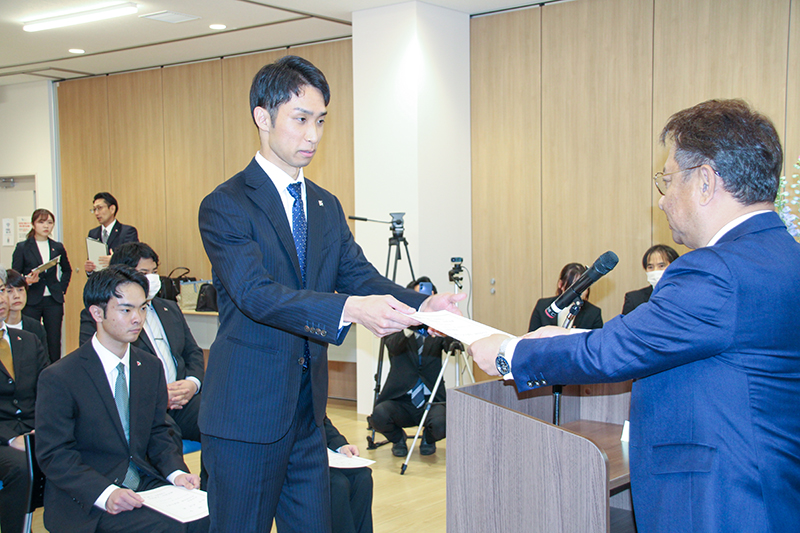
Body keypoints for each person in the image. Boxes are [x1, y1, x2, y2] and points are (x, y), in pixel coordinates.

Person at [469, 99, 800, 532]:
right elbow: (674, 341)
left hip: (719, 502)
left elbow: (618, 350)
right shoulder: (784, 257)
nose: (662, 201)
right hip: (768, 491)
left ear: (705, 181)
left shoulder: (716, 270)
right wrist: (564, 338)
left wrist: (510, 353)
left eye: (668, 180)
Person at [197, 55, 463, 533]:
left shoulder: (324, 204)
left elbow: (358, 274)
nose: (313, 135)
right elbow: (256, 295)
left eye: (320, 121)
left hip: (307, 419)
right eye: (300, 119)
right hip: (246, 417)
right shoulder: (226, 204)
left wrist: (423, 304)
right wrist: (350, 309)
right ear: (263, 117)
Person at [35, 265, 208, 533]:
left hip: (144, 484)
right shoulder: (60, 377)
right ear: (97, 313)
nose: (138, 318)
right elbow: (55, 454)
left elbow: (159, 430)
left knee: (213, 515)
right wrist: (106, 493)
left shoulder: (149, 366)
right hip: (89, 497)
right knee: (168, 529)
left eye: (142, 308)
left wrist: (176, 473)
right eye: (126, 310)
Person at [78, 243, 205, 465]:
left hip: (183, 399)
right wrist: (159, 396)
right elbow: (100, 370)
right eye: (144, 272)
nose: (152, 278)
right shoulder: (102, 316)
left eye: (155, 271)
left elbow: (192, 351)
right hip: (142, 405)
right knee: (166, 439)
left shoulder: (169, 308)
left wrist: (192, 383)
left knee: (223, 419)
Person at [369, 277, 450, 457]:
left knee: (444, 422)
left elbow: (452, 346)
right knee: (379, 416)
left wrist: (443, 319)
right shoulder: (395, 327)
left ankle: (428, 439)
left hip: (431, 400)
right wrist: (408, 324)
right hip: (401, 400)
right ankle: (398, 439)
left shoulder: (437, 329)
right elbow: (392, 345)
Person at [0, 267, 49, 533]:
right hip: (3, 436)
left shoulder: (28, 339)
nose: (1, 299)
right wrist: (11, 438)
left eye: (1, 291)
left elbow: (48, 389)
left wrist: (43, 427)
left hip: (33, 428)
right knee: (22, 468)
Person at [12, 208, 72, 363]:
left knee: (54, 339)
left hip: (53, 300)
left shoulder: (57, 246)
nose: (46, 226)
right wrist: (26, 281)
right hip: (32, 299)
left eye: (50, 222)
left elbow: (67, 270)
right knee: (31, 336)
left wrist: (61, 289)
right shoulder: (23, 247)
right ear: (33, 224)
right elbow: (15, 276)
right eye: (41, 222)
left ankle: (55, 369)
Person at [325, 416, 373, 533]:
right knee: (338, 483)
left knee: (362, 476)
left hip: (318, 452)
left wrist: (340, 445)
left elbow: (320, 420)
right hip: (294, 455)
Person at [528, 263, 604, 331]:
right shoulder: (542, 306)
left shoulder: (594, 313)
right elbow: (531, 338)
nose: (579, 292)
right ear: (561, 284)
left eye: (583, 287)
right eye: (573, 286)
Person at [84, 192, 139, 274]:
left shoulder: (128, 232)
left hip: (120, 279)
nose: (96, 213)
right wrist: (89, 270)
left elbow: (133, 260)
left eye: (99, 208)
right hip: (100, 280)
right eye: (94, 209)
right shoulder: (93, 233)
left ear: (112, 209)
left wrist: (114, 261)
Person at [621, 244, 679, 315]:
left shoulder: (684, 296)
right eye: (650, 267)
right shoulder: (634, 298)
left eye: (661, 266)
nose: (655, 271)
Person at [5, 268, 49, 353]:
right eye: (9, 291)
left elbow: (43, 359)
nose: (16, 296)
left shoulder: (36, 327)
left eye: (20, 290)